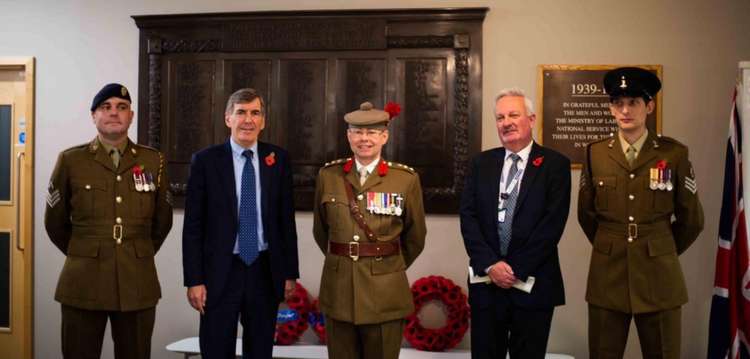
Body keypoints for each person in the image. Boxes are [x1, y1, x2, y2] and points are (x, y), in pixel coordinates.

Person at [578, 67, 704, 358]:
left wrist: (662, 248)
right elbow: (586, 215)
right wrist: (612, 244)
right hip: (608, 276)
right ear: (610, 108)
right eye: (618, 103)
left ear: (649, 106)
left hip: (659, 277)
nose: (625, 110)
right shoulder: (595, 153)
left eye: (633, 102)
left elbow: (692, 219)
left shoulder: (673, 154)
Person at [44, 83, 173, 359]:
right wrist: (84, 251)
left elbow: (162, 221)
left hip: (137, 281)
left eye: (122, 107)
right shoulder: (71, 160)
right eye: (106, 107)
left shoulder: (153, 161)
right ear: (93, 115)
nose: (114, 113)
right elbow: (54, 223)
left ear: (131, 116)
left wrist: (138, 252)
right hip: (83, 280)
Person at [182, 88, 299, 358]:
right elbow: (193, 227)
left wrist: (289, 272)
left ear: (263, 121)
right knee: (216, 349)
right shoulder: (206, 161)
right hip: (219, 272)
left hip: (264, 269)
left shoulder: (278, 160)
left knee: (259, 350)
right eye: (241, 112)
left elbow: (285, 221)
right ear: (228, 119)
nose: (248, 119)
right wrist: (194, 279)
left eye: (255, 113)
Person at [460, 88, 571, 359]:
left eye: (513, 114)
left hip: (532, 284)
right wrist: (491, 265)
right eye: (500, 117)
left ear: (531, 119)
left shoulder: (554, 165)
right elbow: (468, 218)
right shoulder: (480, 163)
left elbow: (552, 225)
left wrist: (513, 270)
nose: (506, 122)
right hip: (487, 284)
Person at [312, 101, 426, 359]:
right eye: (358, 132)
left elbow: (415, 237)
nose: (364, 139)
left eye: (372, 132)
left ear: (384, 136)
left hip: (385, 293)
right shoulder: (328, 176)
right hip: (339, 290)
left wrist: (386, 266)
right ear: (348, 136)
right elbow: (321, 231)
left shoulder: (405, 179)